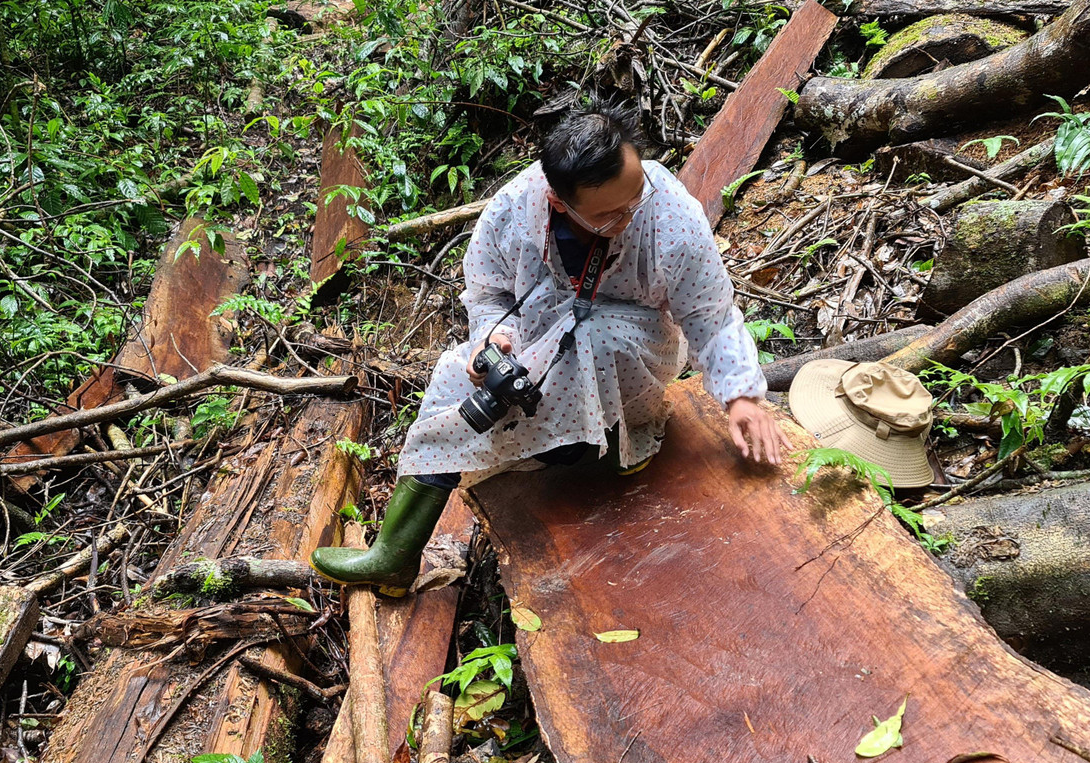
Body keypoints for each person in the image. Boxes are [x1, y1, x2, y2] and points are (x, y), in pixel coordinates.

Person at [311, 96, 793, 596]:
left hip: (635, 347)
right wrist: (493, 339)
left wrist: (742, 396)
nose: (630, 216)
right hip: (535, 335)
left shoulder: (672, 215)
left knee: (591, 337)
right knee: (457, 374)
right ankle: (395, 554)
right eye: (610, 216)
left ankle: (620, 439)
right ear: (559, 201)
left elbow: (710, 317)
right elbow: (487, 290)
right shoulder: (515, 207)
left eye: (635, 200)